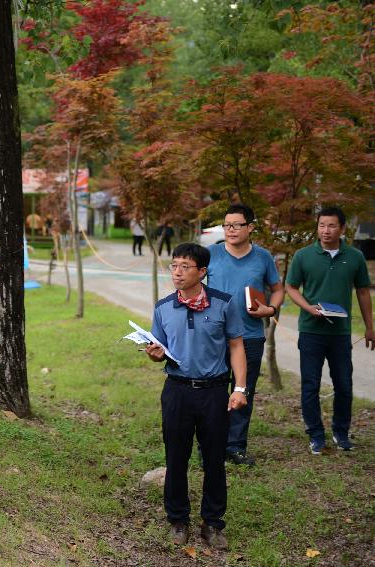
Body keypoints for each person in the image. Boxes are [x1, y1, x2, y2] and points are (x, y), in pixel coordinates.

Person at [145, 242, 247, 550]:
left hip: (214, 391)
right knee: (176, 458)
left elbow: (236, 346)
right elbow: (159, 351)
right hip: (176, 391)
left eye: (184, 267)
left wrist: (239, 388)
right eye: (174, 266)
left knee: (214, 459)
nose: (177, 272)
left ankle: (213, 524)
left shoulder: (224, 304)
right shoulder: (163, 307)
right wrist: (155, 354)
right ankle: (178, 521)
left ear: (202, 271)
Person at [285, 206, 373, 454]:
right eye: (322, 225)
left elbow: (363, 292)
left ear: (342, 228)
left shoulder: (355, 257)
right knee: (310, 385)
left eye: (332, 226)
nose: (326, 230)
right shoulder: (303, 256)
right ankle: (315, 435)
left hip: (341, 333)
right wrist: (307, 307)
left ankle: (341, 432)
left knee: (344, 384)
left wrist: (369, 328)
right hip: (311, 331)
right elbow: (291, 287)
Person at [207, 204, 284, 466]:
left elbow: (277, 288)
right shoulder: (211, 254)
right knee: (213, 392)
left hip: (250, 336)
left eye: (237, 225)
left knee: (243, 391)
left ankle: (235, 446)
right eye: (226, 225)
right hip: (215, 336)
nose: (230, 230)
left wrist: (270, 309)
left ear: (250, 227)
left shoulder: (263, 257)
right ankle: (211, 444)